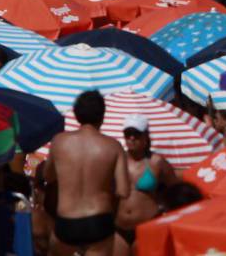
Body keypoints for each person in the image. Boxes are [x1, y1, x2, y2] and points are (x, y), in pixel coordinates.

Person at [45, 91, 130, 255]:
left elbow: (48, 176)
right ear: (102, 116)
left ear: (76, 115)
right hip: (99, 219)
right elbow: (123, 191)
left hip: (67, 219)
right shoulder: (113, 146)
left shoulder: (59, 142)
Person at [115, 114, 177, 250]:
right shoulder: (117, 160)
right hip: (118, 229)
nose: (131, 138)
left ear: (146, 136)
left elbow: (177, 192)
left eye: (136, 134)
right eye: (127, 133)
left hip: (147, 226)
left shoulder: (157, 162)